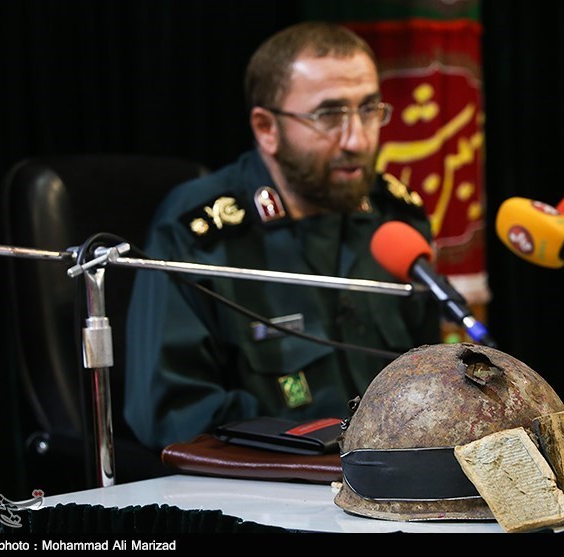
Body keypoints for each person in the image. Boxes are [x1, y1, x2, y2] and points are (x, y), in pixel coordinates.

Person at [123, 21, 442, 452]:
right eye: (329, 115)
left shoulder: (395, 218)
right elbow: (172, 411)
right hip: (271, 479)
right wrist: (313, 452)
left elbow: (427, 376)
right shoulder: (202, 233)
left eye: (369, 109)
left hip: (393, 473)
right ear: (266, 128)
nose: (357, 139)